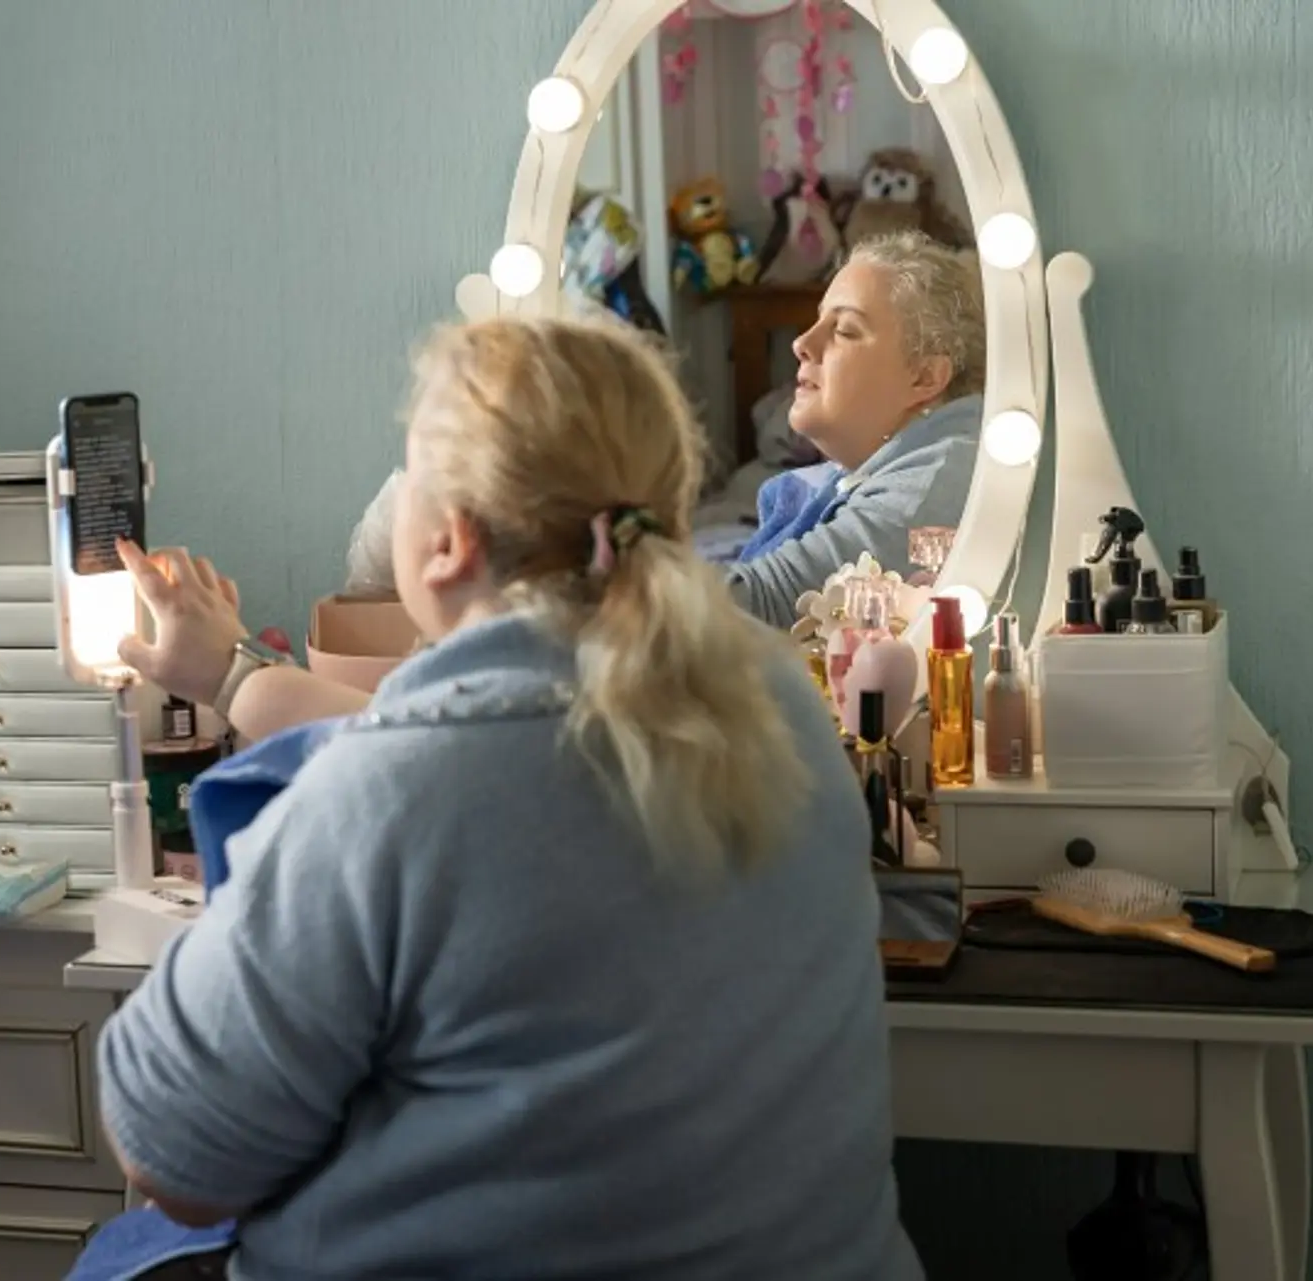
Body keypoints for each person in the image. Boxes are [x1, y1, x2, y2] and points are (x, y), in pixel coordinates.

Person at [96, 315, 921, 1280]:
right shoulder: (781, 708)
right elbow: (479, 738)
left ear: (446, 540)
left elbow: (172, 1160)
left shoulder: (385, 798)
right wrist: (236, 675)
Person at [729, 230, 987, 627]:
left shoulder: (936, 481)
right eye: (817, 321)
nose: (801, 342)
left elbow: (762, 604)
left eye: (845, 330)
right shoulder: (867, 476)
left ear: (924, 377)